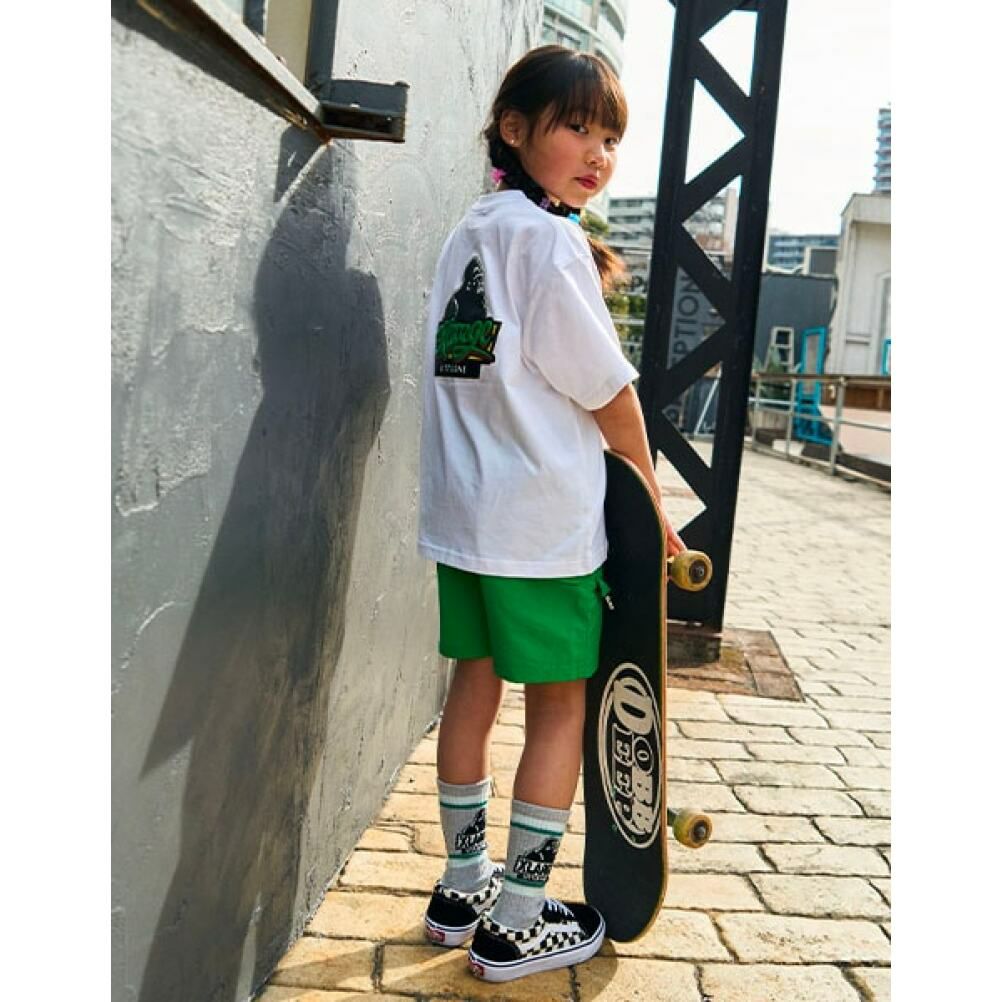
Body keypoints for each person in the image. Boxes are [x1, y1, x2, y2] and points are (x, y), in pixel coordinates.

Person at [416, 44, 685, 983]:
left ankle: (463, 890)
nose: (598, 153)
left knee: (473, 687)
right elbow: (607, 391)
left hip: (466, 519)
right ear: (515, 129)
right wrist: (649, 496)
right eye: (578, 128)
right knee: (561, 706)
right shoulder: (549, 241)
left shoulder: (471, 232)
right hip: (538, 527)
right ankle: (520, 919)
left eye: (610, 137)